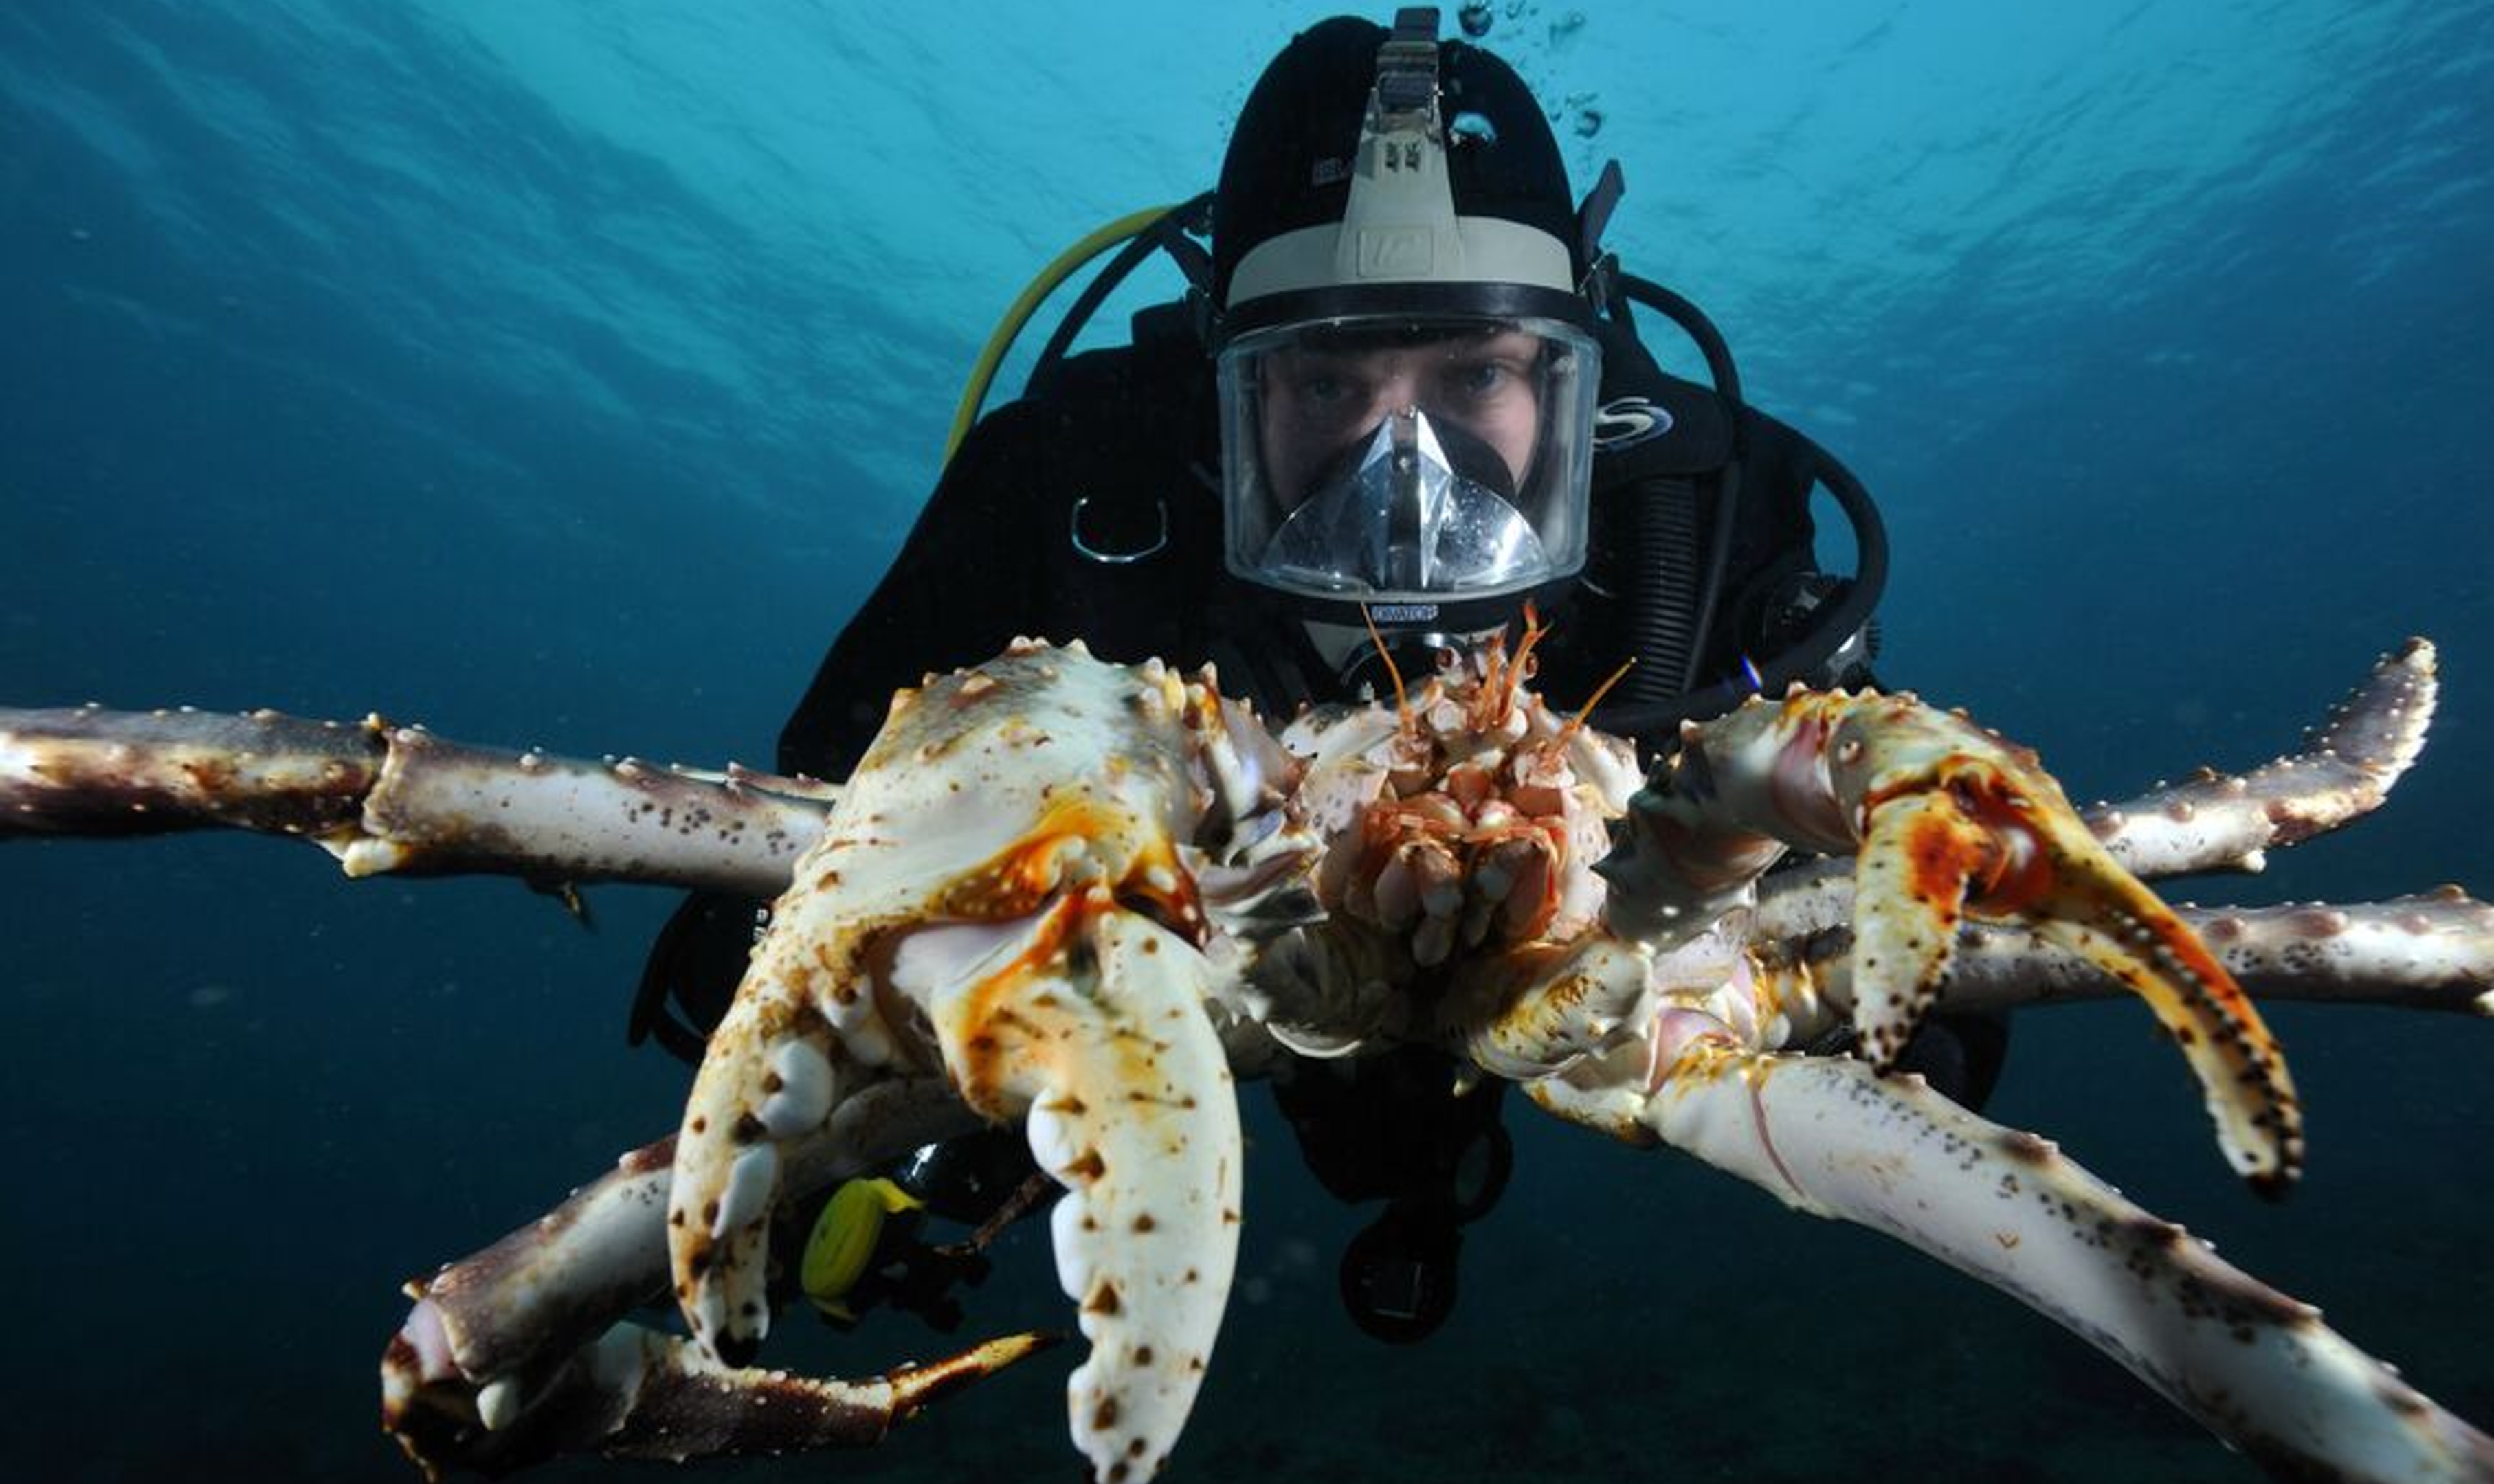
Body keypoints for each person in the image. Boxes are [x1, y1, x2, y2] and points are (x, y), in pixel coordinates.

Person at [634, 8, 2001, 1346]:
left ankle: (1429, 1177)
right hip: (1177, 969)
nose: (1401, 477)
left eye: (1476, 375)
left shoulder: (1696, 516)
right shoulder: (1063, 485)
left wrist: (1895, 1014)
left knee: (1413, 1145)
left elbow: (1908, 891)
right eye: (1329, 386)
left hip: (1615, 967)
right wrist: (923, 1005)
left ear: (1575, 376)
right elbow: (773, 885)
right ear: (1224, 384)